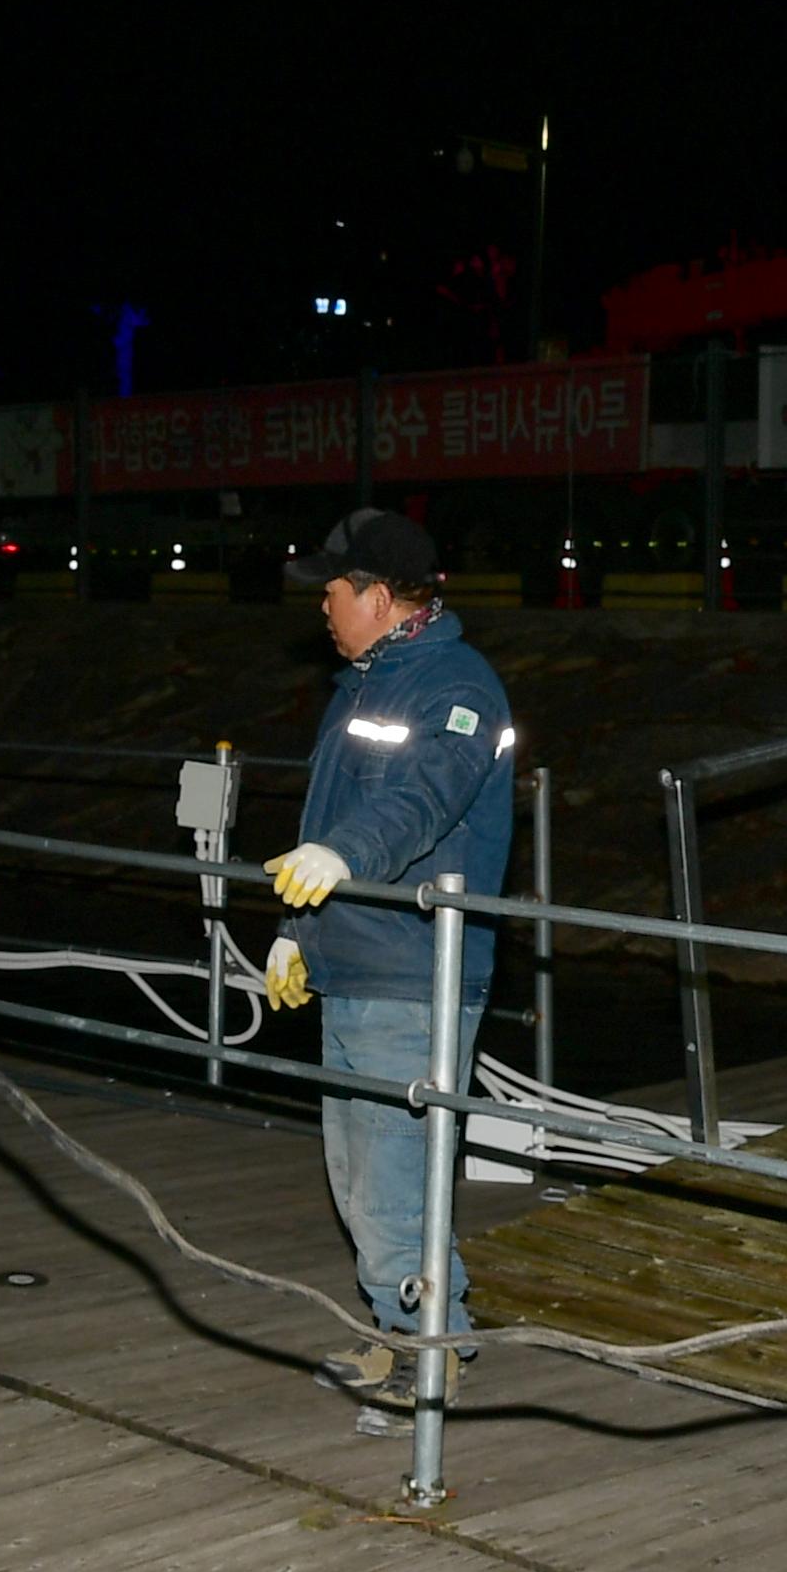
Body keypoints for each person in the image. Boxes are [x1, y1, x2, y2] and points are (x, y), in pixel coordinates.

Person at [258, 507, 517, 1424]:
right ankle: (398, 1325)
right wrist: (300, 928)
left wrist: (342, 863)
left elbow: (420, 800)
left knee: (396, 1179)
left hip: (417, 973)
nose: (321, 608)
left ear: (374, 595)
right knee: (362, 1178)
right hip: (359, 962)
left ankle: (432, 1353)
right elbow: (336, 817)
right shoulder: (365, 684)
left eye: (331, 591)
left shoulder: (457, 687)